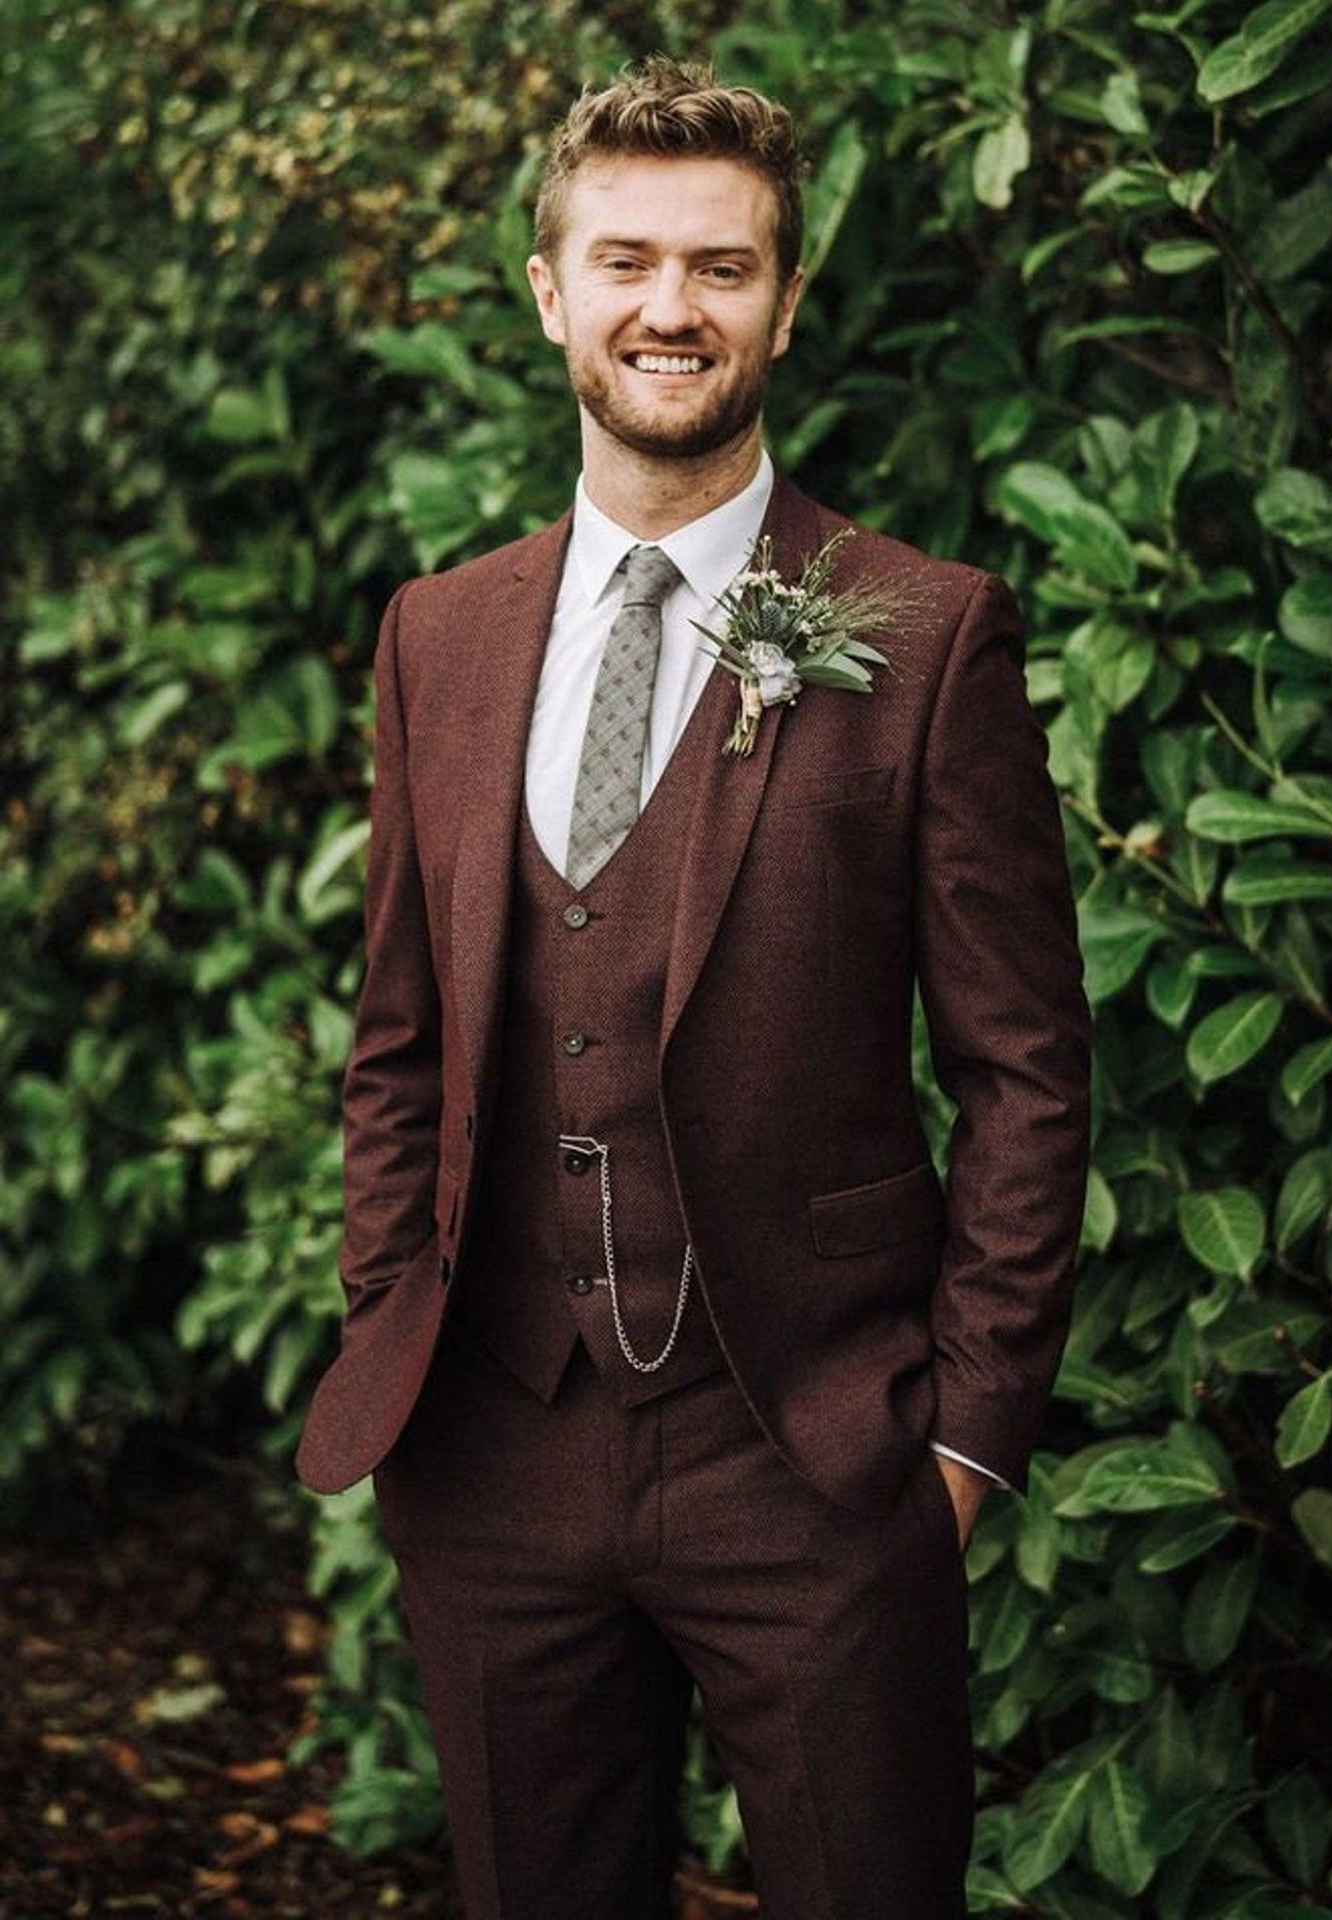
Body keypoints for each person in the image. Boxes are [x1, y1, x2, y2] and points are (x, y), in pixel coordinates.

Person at [297, 55, 1090, 1920]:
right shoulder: (441, 631)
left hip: (813, 1462)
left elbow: (1026, 1070)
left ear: (788, 302)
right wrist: (387, 1304)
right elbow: (399, 1035)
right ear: (550, 291)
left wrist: (961, 1438)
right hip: (491, 1448)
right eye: (629, 261)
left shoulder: (927, 629)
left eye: (724, 269)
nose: (673, 308)